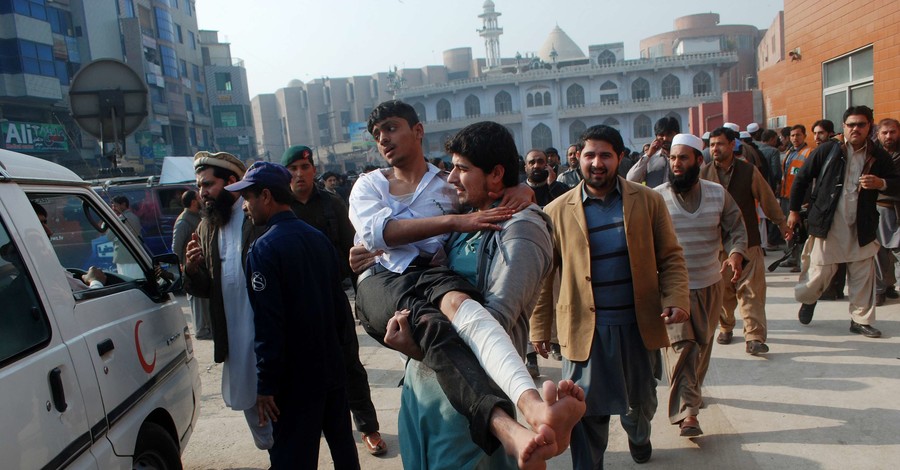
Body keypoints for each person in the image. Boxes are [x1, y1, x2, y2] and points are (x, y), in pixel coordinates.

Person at [349, 100, 584, 467]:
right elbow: (399, 252)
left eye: (461, 169)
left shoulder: (521, 227)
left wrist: (525, 192)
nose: (451, 179)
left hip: (474, 393)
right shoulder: (467, 214)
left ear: (495, 175)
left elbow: (498, 317)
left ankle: (532, 412)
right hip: (426, 384)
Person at [531, 124, 690, 468]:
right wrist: (539, 327)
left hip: (637, 327)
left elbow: (671, 257)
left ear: (619, 157)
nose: (597, 162)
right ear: (579, 160)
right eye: (590, 155)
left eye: (605, 155)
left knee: (640, 405)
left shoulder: (647, 201)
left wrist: (676, 298)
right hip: (584, 331)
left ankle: (638, 433)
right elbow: (545, 277)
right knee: (584, 412)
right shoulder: (557, 211)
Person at [223, 162, 360, 469]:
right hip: (331, 370)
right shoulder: (318, 239)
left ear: (266, 196)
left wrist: (266, 385)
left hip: (296, 381)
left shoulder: (264, 249)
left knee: (293, 458)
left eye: (248, 198)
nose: (245, 206)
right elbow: (340, 310)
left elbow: (269, 325)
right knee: (344, 449)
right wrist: (344, 361)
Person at [280, 144, 388, 456]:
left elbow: (354, 251)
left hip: (331, 299)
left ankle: (368, 427)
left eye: (304, 168)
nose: (299, 175)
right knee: (302, 373)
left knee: (350, 366)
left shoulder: (331, 204)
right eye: (293, 170)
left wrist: (363, 298)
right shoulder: (281, 208)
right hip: (295, 307)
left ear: (313, 169)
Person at [655, 134, 748, 437]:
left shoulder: (718, 194)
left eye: (683, 158)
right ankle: (688, 413)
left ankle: (691, 395)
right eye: (672, 158)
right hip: (672, 288)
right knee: (682, 348)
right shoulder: (655, 198)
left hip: (710, 284)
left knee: (702, 347)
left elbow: (736, 228)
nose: (676, 164)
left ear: (699, 160)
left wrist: (735, 254)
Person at [183, 151, 274, 451]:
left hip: (263, 324)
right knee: (247, 394)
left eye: (208, 185)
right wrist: (191, 270)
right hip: (231, 331)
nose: (203, 193)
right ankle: (272, 449)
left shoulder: (257, 216)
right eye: (199, 186)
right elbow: (206, 288)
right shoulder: (206, 227)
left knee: (274, 389)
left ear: (232, 182)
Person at [791, 106, 900, 338]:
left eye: (861, 124)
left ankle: (860, 320)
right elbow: (801, 179)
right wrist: (792, 211)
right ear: (843, 127)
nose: (855, 129)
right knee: (818, 274)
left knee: (863, 275)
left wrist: (880, 183)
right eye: (851, 125)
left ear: (870, 126)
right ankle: (809, 300)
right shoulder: (828, 150)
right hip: (828, 223)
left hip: (862, 225)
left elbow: (895, 181)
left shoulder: (878, 155)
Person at [701, 127, 791, 355]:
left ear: (733, 145)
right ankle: (726, 325)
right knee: (723, 293)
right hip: (717, 245)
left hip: (748, 240)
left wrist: (781, 223)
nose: (715, 149)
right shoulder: (702, 174)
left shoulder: (748, 171)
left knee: (752, 291)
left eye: (720, 144)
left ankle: (754, 337)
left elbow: (767, 198)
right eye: (712, 145)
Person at [32, 201, 106, 290]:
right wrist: (95, 281)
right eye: (38, 225)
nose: (49, 232)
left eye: (45, 223)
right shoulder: (42, 268)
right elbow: (87, 297)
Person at [172, 190, 211, 339]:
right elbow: (176, 248)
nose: (202, 198)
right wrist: (183, 266)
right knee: (197, 301)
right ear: (194, 202)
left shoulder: (198, 217)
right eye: (198, 197)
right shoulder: (184, 221)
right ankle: (201, 331)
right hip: (191, 268)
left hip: (201, 267)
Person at [778, 125, 813, 270]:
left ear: (804, 136)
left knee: (800, 231)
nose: (795, 138)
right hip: (786, 196)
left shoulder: (808, 153)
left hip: (800, 198)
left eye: (798, 135)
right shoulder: (789, 153)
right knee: (789, 229)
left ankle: (801, 261)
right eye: (792, 136)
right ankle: (792, 257)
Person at [874, 118, 900, 306]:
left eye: (892, 132)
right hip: (881, 207)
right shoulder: (872, 154)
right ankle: (882, 288)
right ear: (878, 134)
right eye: (885, 132)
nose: (889, 136)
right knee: (880, 252)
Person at [626, 116, 679, 187]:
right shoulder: (649, 159)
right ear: (656, 137)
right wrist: (648, 155)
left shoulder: (684, 157)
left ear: (677, 134)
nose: (665, 138)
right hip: (655, 198)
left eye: (669, 134)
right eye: (661, 135)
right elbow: (631, 180)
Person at [111, 195, 142, 278]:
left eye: (115, 205)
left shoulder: (122, 218)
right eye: (112, 206)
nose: (113, 208)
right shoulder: (132, 217)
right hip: (132, 256)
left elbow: (109, 235)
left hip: (126, 258)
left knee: (128, 279)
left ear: (123, 205)